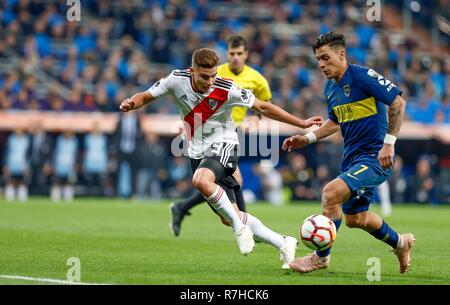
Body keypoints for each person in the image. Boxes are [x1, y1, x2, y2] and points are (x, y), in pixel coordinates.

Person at [120, 48, 323, 268]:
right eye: (204, 76)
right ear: (192, 71)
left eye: (213, 75)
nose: (210, 81)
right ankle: (284, 242)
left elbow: (263, 106)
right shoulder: (176, 80)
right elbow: (146, 96)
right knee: (228, 215)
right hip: (197, 152)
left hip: (225, 144)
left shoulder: (226, 88)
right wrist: (132, 103)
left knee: (201, 181)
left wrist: (301, 123)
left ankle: (240, 228)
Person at [282, 32, 415, 274]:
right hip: (352, 159)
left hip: (375, 157)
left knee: (330, 194)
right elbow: (335, 121)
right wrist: (308, 138)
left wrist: (389, 143)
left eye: (325, 58)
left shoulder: (363, 76)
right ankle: (401, 242)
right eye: (318, 60)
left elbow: (398, 103)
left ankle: (320, 258)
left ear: (341, 54)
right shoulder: (331, 89)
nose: (321, 64)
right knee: (357, 219)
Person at [170, 35, 272, 236]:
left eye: (239, 54)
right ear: (227, 53)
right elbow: (191, 98)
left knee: (224, 182)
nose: (235, 57)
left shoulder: (257, 78)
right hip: (207, 133)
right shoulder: (215, 72)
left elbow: (263, 104)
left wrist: (255, 120)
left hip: (231, 133)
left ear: (246, 55)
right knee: (230, 181)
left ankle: (184, 208)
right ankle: (243, 223)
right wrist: (188, 124)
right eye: (232, 53)